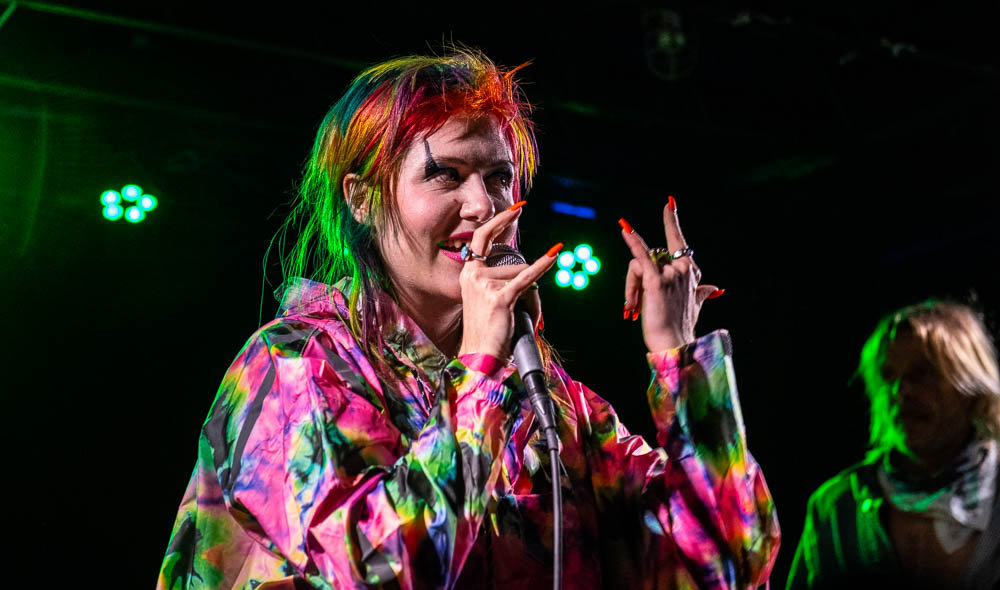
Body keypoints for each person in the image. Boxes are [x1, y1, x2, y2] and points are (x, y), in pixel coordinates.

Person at [157, 49, 779, 590]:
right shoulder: (295, 364)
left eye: (499, 178)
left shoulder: (549, 403)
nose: (483, 205)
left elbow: (726, 568)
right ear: (363, 199)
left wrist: (679, 359)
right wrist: (478, 374)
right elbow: (377, 573)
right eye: (445, 175)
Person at [786, 301, 1000, 590]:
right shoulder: (837, 505)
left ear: (972, 384)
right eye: (888, 376)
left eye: (923, 373)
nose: (901, 392)